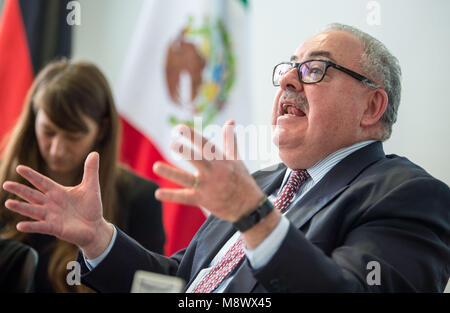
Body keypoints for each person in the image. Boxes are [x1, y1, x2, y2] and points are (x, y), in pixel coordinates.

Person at [3, 24, 450, 293]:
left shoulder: (410, 196)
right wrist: (99, 239)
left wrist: (253, 215)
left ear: (372, 107)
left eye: (315, 69)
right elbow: (181, 283)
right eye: (289, 67)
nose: (289, 79)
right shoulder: (263, 184)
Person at [0, 59, 165, 292]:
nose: (57, 149)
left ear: (102, 129)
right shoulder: (3, 183)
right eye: (48, 132)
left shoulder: (138, 198)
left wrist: (101, 243)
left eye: (73, 137)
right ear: (33, 119)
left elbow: (151, 288)